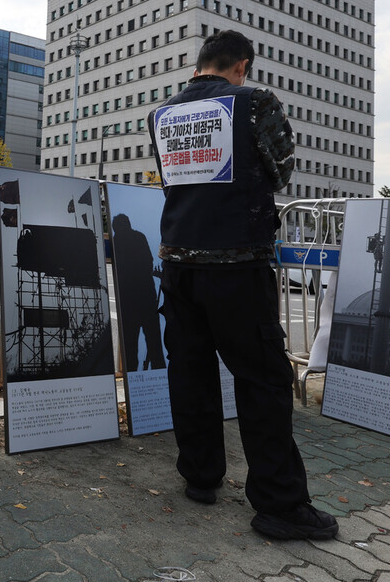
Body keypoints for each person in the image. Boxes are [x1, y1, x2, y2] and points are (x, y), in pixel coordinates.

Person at [147, 30, 338, 540]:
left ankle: (200, 476)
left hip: (178, 263)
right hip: (236, 264)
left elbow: (174, 180)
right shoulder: (255, 102)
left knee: (191, 371)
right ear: (242, 65)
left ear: (199, 65)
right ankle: (279, 504)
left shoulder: (162, 114)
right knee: (263, 380)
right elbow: (279, 174)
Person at [111, 213, 166, 371]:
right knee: (155, 345)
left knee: (130, 348)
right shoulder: (139, 237)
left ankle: (132, 377)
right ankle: (160, 378)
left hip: (127, 300)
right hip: (146, 297)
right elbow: (148, 262)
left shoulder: (116, 242)